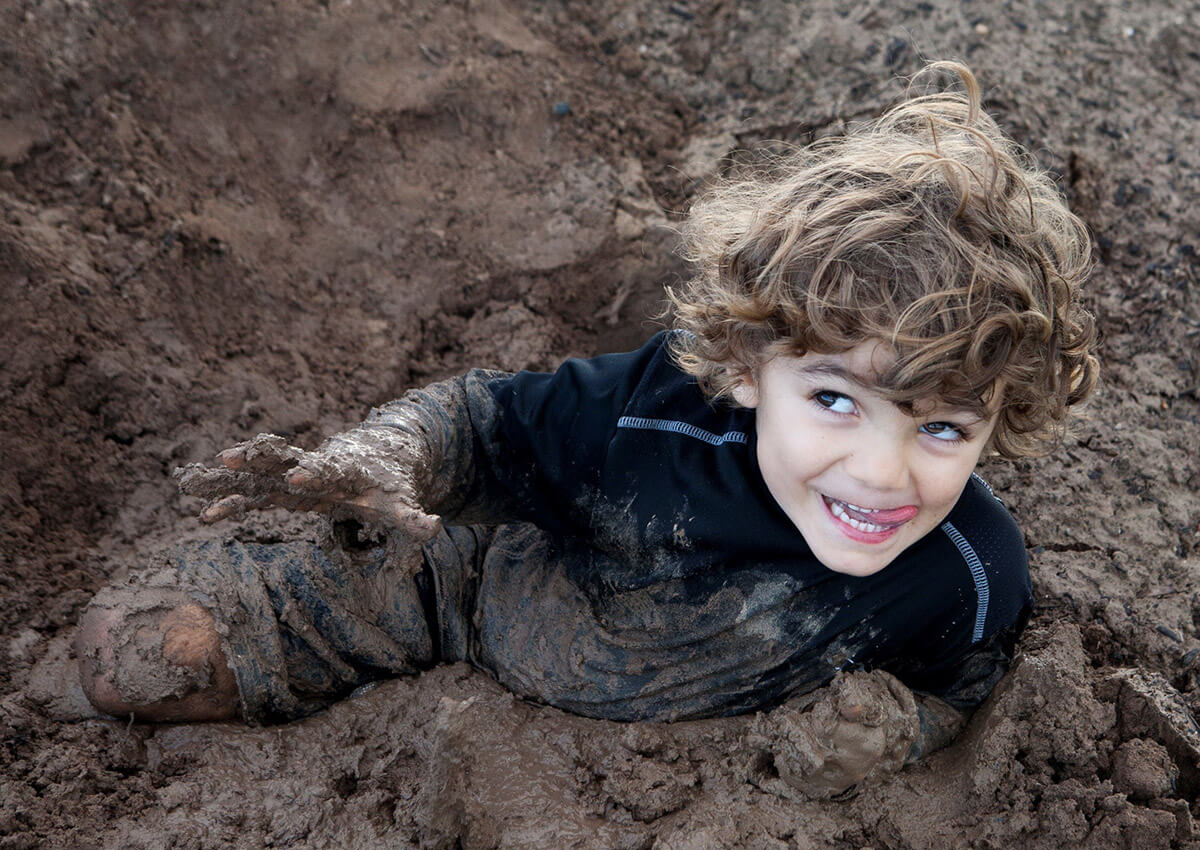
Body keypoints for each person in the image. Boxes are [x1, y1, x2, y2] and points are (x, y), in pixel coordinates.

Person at [73, 62, 1096, 797]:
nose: (882, 472)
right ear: (748, 368)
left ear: (1001, 419)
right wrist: (389, 451)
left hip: (701, 721)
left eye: (944, 429)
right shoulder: (652, 417)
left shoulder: (970, 571)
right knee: (134, 656)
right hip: (474, 593)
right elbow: (482, 421)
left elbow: (963, 692)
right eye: (836, 400)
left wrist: (898, 733)